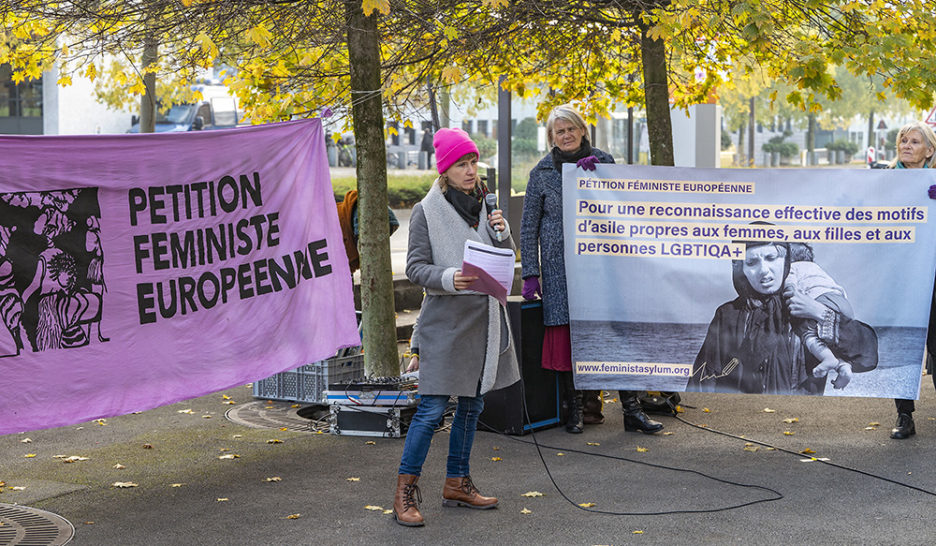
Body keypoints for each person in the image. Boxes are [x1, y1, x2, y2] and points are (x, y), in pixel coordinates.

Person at [392, 128, 520, 527]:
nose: (470, 170)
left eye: (473, 162)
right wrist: (450, 277)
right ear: (444, 170)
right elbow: (415, 268)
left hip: (485, 321)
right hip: (445, 323)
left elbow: (505, 258)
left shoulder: (487, 204)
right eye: (461, 164)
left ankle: (457, 483)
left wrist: (502, 233)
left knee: (472, 406)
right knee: (430, 410)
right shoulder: (425, 211)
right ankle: (403, 493)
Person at [520, 104, 662, 434]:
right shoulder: (540, 173)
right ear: (551, 138)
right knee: (571, 336)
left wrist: (599, 177)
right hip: (560, 269)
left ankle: (631, 410)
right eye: (559, 131)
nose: (566, 135)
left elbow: (625, 209)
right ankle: (576, 410)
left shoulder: (604, 162)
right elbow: (529, 226)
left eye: (571, 128)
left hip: (604, 264)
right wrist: (531, 272)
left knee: (614, 333)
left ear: (583, 130)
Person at [689, 239, 878, 394]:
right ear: (741, 269)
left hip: (800, 423)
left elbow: (867, 357)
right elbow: (704, 379)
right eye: (752, 262)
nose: (764, 270)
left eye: (771, 257)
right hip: (742, 422)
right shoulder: (728, 314)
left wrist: (818, 312)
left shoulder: (803, 306)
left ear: (786, 261)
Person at [888, 121, 936, 439]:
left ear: (929, 150)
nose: (906, 145)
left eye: (914, 141)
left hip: (933, 276)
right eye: (903, 140)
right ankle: (904, 416)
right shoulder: (884, 181)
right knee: (903, 346)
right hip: (900, 276)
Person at [786, 243, 855, 389]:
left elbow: (790, 285)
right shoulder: (818, 270)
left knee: (807, 333)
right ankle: (844, 367)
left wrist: (788, 291)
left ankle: (827, 358)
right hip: (843, 303)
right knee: (834, 344)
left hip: (820, 299)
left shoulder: (793, 267)